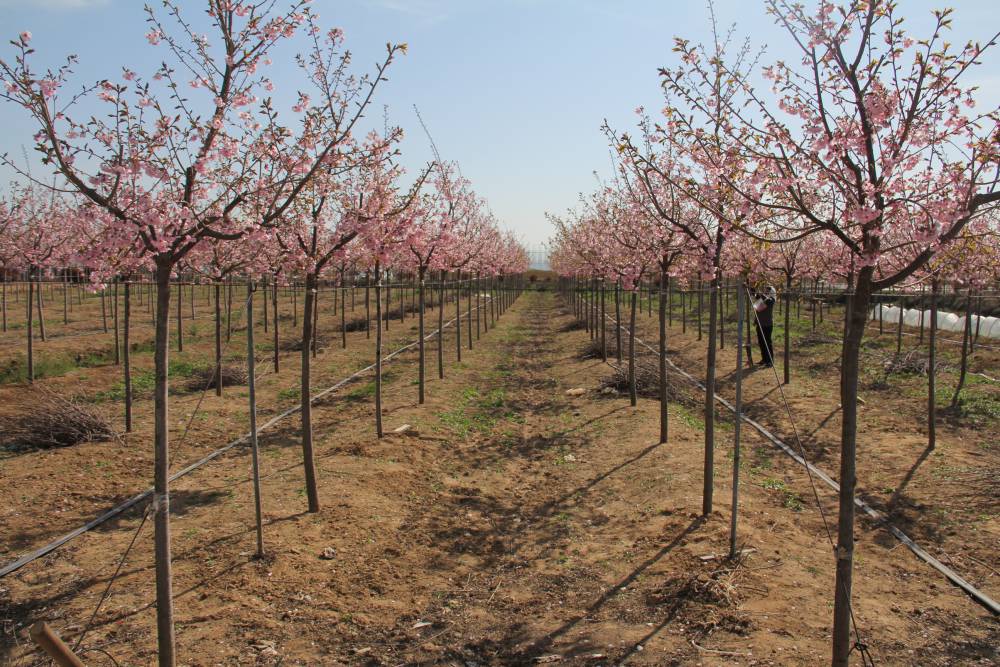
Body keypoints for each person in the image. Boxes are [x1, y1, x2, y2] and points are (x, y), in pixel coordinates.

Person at [753, 286, 777, 368]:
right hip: (760, 324)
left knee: (767, 342)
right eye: (765, 291)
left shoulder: (771, 300)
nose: (766, 292)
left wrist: (761, 294)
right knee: (761, 342)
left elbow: (767, 300)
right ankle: (764, 359)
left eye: (767, 291)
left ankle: (770, 361)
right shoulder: (762, 300)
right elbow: (756, 299)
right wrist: (753, 289)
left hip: (767, 325)